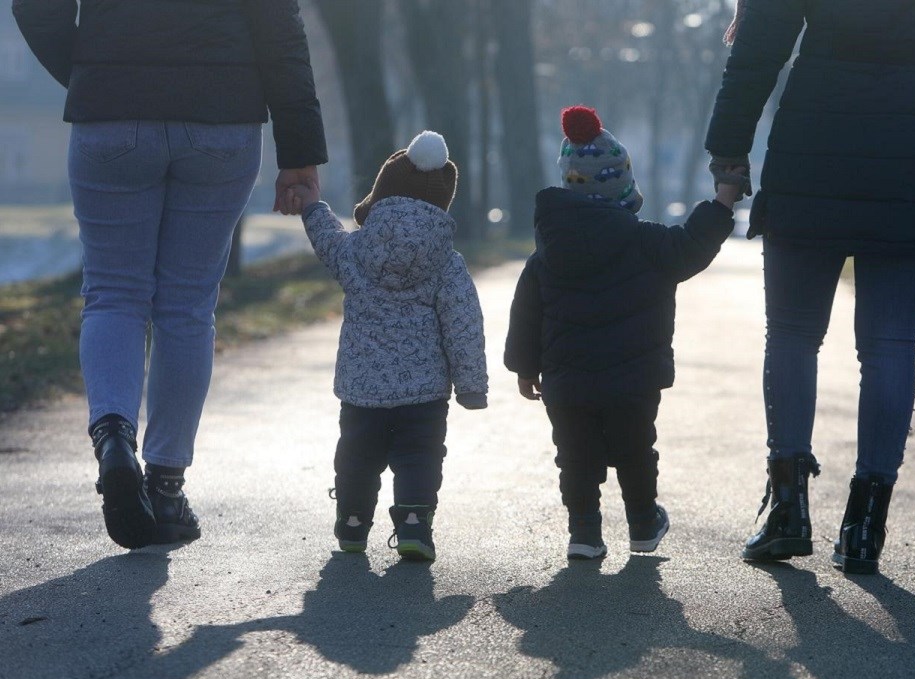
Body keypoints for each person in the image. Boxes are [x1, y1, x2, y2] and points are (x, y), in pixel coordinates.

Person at [704, 0, 915, 573]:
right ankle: (864, 529)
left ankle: (787, 510)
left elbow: (762, 39)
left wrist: (729, 142)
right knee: (891, 345)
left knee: (792, 335)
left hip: (816, 131)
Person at [12, 0, 327, 549]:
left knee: (113, 293)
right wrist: (300, 149)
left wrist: (94, 74)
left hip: (111, 114)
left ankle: (113, 437)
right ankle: (165, 486)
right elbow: (280, 28)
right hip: (221, 121)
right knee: (186, 307)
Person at [504, 106, 742, 560]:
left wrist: (524, 368)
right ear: (624, 185)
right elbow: (694, 243)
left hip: (567, 381)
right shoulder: (647, 243)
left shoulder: (547, 254)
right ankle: (642, 522)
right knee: (636, 451)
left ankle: (584, 533)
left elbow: (526, 312)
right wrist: (724, 198)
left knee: (575, 456)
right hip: (633, 380)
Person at [292, 131, 487, 561]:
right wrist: (471, 385)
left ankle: (353, 521)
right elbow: (463, 322)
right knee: (420, 456)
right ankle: (415, 523)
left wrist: (311, 205)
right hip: (425, 393)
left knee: (357, 455)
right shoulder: (446, 262)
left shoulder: (356, 249)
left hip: (362, 389)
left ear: (381, 194)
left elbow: (327, 238)